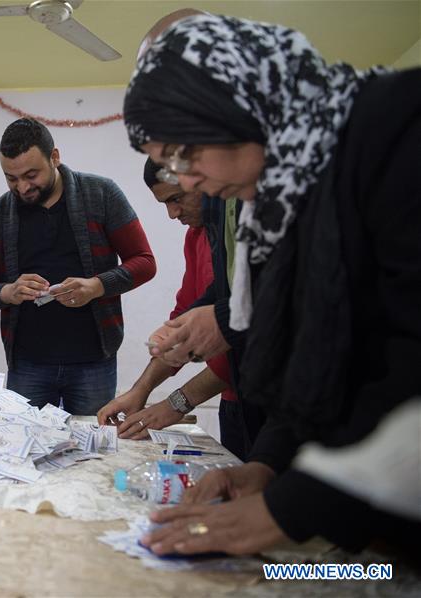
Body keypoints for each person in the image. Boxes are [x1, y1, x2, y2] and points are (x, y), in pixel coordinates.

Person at [123, 13, 421, 554]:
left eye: (184, 154)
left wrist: (292, 506)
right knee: (309, 577)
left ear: (240, 105)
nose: (186, 180)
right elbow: (314, 359)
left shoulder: (399, 129)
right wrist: (268, 465)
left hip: (392, 510)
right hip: (355, 521)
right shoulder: (272, 202)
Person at [0, 118, 155, 415]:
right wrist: (9, 291)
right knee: (24, 451)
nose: (22, 187)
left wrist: (97, 286)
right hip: (27, 363)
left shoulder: (102, 194)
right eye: (11, 178)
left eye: (31, 175)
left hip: (94, 360)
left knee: (92, 452)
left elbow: (145, 262)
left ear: (54, 157)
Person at [97, 158, 249, 457]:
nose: (172, 214)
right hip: (234, 399)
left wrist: (177, 403)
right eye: (165, 203)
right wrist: (141, 389)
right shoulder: (198, 236)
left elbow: (241, 332)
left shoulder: (247, 228)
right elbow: (184, 318)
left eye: (176, 199)